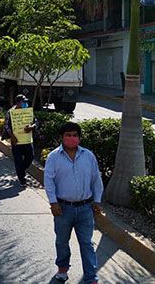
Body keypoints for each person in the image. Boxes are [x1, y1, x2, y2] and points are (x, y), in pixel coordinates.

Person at [44, 122, 104, 284]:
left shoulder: (88, 156)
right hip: (63, 209)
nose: (72, 138)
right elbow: (49, 181)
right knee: (62, 241)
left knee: (87, 243)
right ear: (62, 138)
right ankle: (62, 270)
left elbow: (96, 180)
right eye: (68, 135)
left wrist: (97, 200)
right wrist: (53, 203)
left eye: (75, 135)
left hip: (85, 208)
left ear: (79, 137)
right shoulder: (54, 157)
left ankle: (91, 277)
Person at [4, 94, 36, 186]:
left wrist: (31, 127)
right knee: (18, 160)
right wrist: (12, 136)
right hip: (16, 141)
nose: (25, 103)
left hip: (27, 140)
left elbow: (35, 122)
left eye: (26, 102)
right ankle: (22, 179)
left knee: (30, 156)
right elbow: (6, 125)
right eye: (23, 102)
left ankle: (22, 170)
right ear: (18, 103)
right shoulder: (11, 112)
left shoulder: (28, 111)